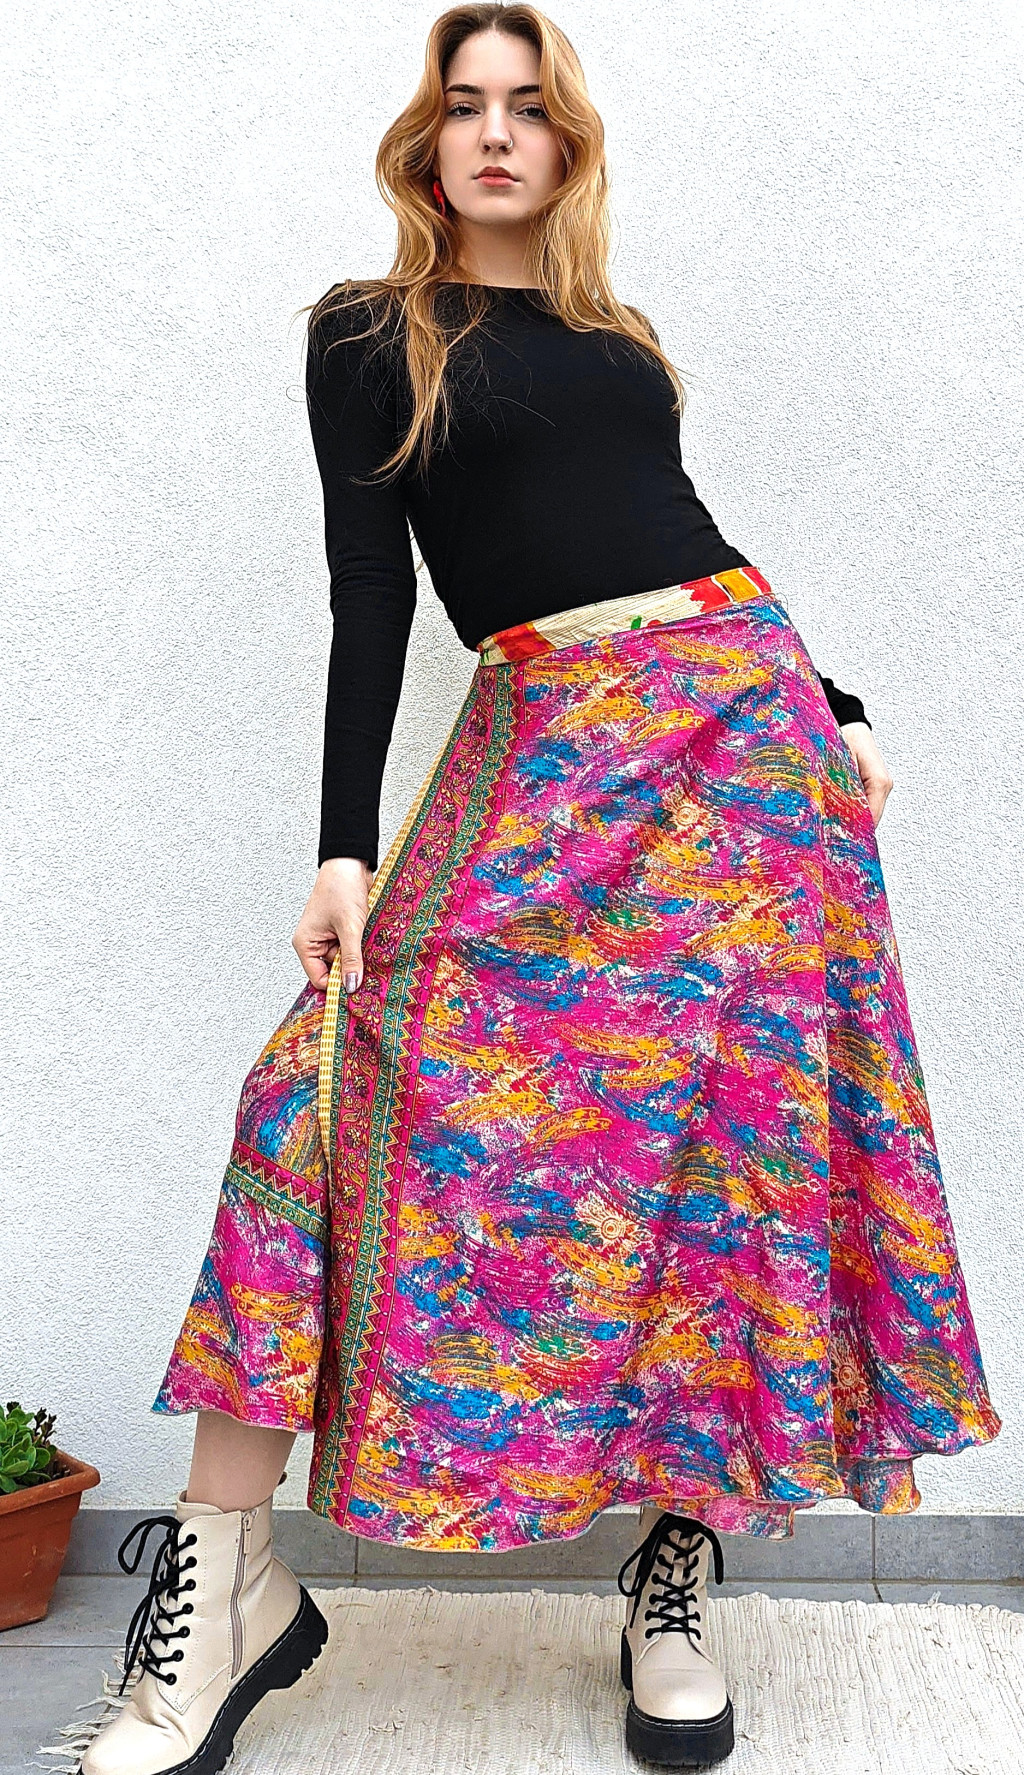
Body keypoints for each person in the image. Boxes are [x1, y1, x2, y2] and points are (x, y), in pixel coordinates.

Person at [78, 6, 1002, 1773]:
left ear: (568, 143)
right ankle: (229, 1581)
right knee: (320, 1088)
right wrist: (344, 846)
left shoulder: (617, 342)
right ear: (427, 143)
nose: (496, 133)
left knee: (727, 1153)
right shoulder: (372, 332)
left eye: (527, 107)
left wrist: (830, 698)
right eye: (464, 106)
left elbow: (680, 528)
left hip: (742, 750)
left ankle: (676, 1577)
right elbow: (370, 589)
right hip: (551, 736)